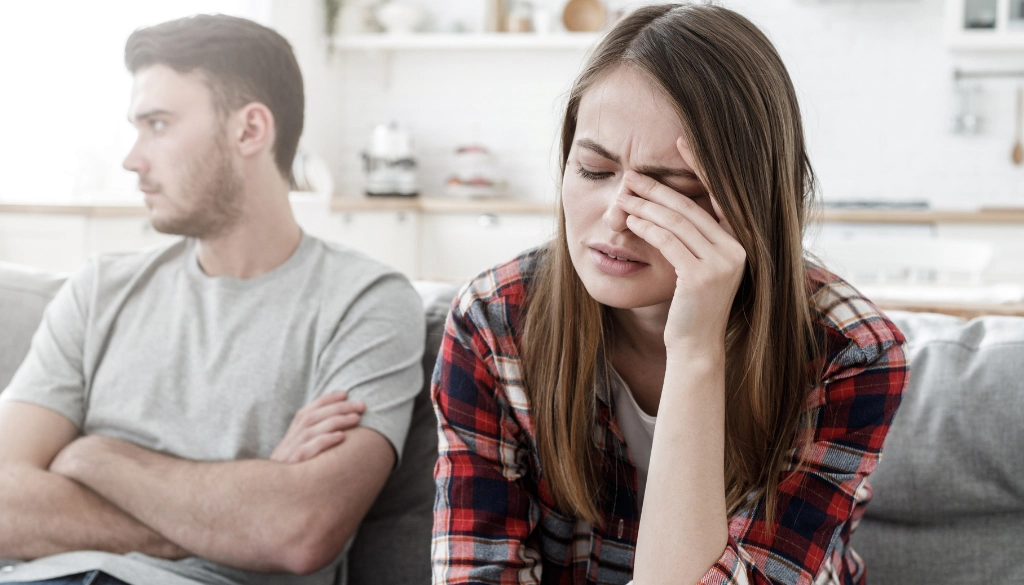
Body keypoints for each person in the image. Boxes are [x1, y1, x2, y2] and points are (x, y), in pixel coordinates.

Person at [430, 4, 908, 585]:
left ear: (753, 200)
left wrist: (696, 348)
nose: (616, 223)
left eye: (671, 192)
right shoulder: (493, 320)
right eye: (593, 171)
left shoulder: (848, 350)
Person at [0, 14, 424, 585]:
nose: (133, 159)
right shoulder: (99, 290)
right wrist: (234, 512)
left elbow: (298, 531)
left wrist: (94, 457)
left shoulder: (366, 302)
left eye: (158, 124)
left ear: (249, 130)